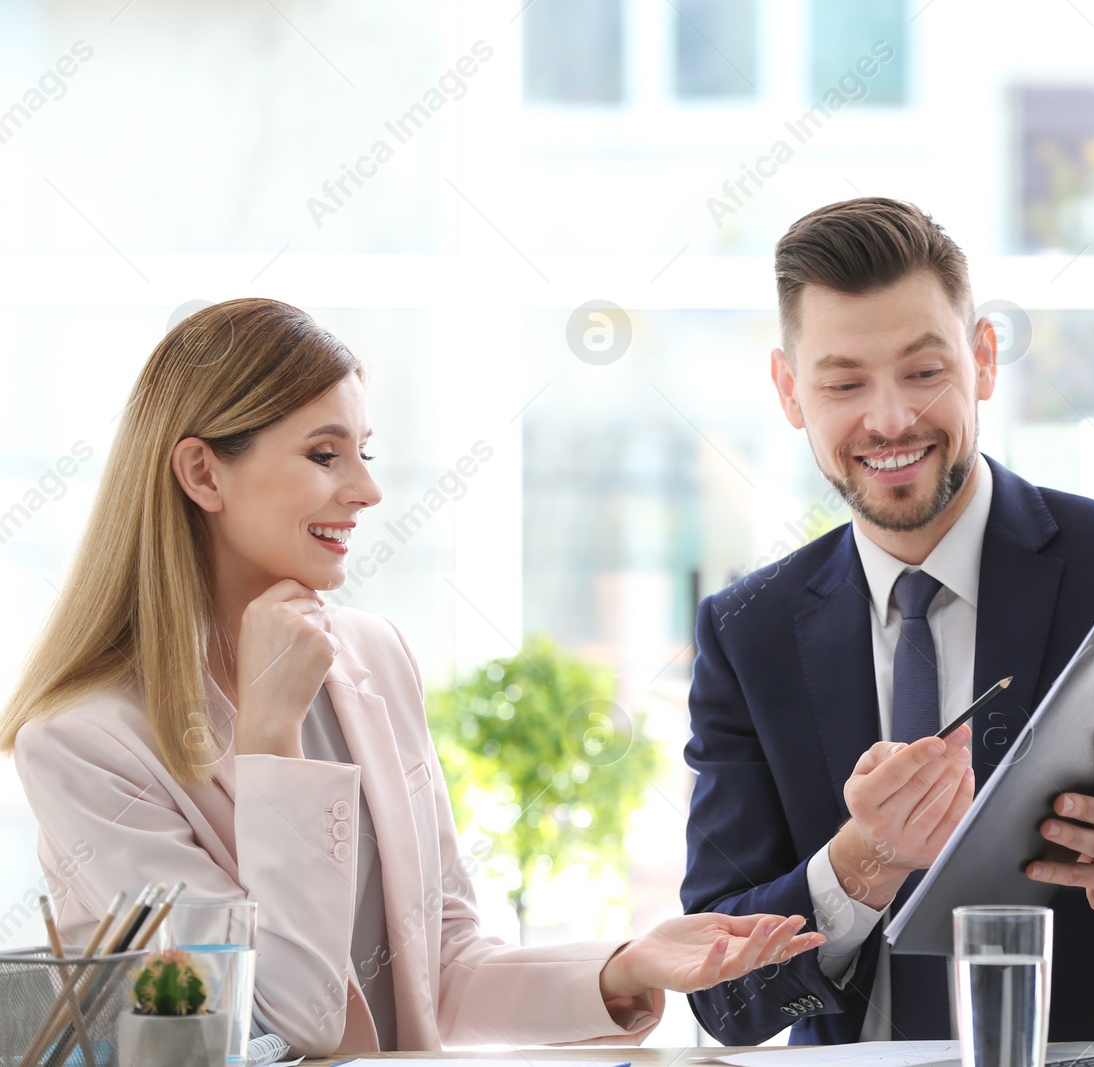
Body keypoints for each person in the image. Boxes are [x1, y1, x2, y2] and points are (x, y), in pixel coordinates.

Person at [0, 298, 823, 1058]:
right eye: (325, 454)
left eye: (363, 451)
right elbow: (281, 1020)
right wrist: (269, 740)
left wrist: (622, 968)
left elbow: (442, 965)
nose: (366, 489)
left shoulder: (372, 659)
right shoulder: (82, 743)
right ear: (203, 474)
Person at [679, 197, 1094, 1044]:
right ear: (790, 392)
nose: (891, 418)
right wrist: (860, 864)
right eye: (843, 382)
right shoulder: (745, 632)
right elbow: (727, 1004)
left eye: (922, 370)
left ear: (982, 359)